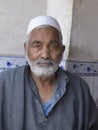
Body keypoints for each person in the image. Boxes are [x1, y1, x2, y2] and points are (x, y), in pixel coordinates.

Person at [0, 15, 98, 130]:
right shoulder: (4, 84)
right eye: (37, 46)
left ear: (62, 50)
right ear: (26, 48)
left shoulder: (80, 88)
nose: (45, 54)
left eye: (53, 46)